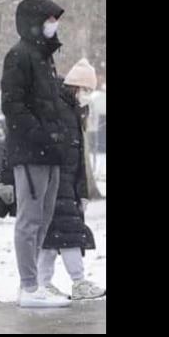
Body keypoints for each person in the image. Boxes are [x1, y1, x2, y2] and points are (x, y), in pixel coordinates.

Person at [0, 0, 72, 308]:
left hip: (51, 152)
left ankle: (34, 284)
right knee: (29, 221)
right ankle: (29, 286)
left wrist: (61, 137)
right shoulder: (19, 56)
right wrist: (41, 135)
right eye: (48, 19)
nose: (53, 25)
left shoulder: (44, 57)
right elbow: (12, 105)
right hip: (31, 152)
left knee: (44, 218)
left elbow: (50, 103)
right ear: (33, 21)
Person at [39, 58, 105, 301]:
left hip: (64, 184)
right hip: (58, 183)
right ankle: (77, 281)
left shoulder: (73, 111)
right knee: (68, 234)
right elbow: (64, 152)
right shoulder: (61, 110)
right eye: (87, 89)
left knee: (52, 236)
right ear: (76, 87)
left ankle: (42, 282)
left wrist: (83, 191)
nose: (88, 95)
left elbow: (78, 156)